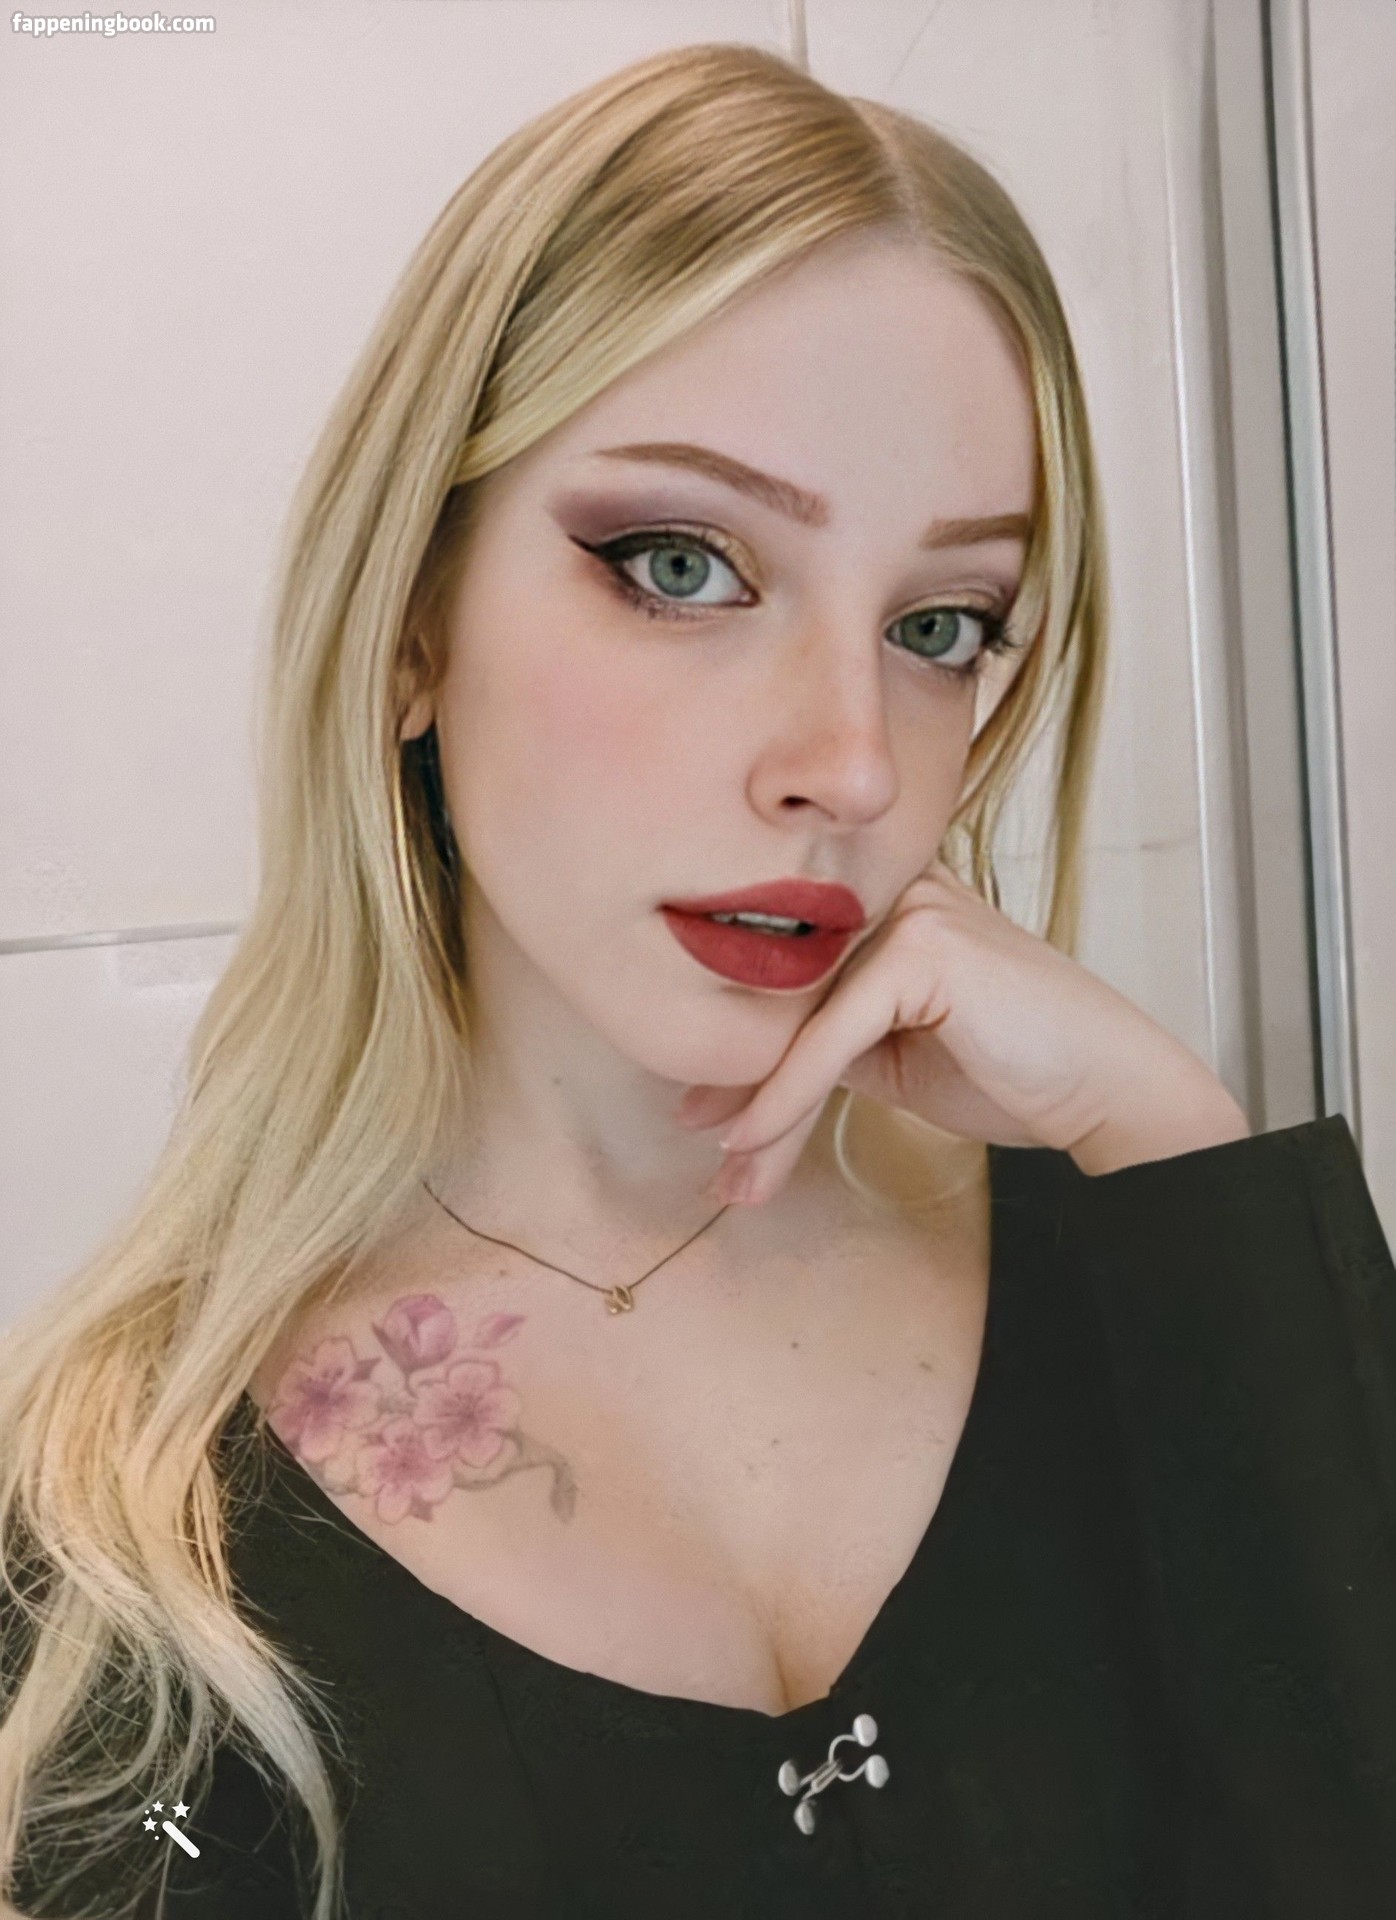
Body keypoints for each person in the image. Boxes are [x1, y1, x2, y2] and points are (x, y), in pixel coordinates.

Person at [3, 38, 1395, 1920]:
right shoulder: (123, 1555)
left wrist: (1182, 1150)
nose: (855, 765)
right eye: (681, 565)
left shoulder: (1156, 1286)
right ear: (410, 620)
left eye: (939, 624)